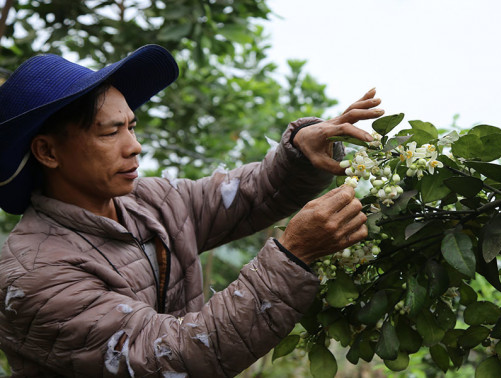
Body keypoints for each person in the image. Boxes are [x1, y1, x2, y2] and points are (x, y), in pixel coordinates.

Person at [0, 45, 383, 377]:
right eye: (109, 132)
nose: (134, 147)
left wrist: (300, 154)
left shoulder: (150, 202)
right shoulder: (34, 276)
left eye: (132, 127)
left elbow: (249, 195)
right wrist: (293, 255)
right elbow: (170, 358)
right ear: (48, 152)